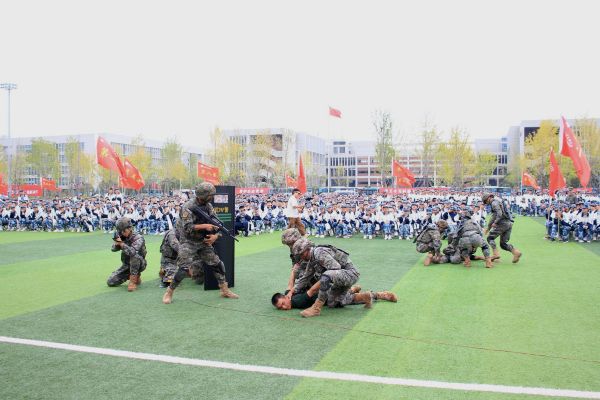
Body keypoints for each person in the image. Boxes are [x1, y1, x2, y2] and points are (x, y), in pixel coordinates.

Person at [162, 182, 238, 304]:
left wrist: (215, 236)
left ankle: (224, 289)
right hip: (188, 241)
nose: (212, 197)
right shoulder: (188, 206)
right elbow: (187, 228)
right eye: (210, 195)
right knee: (183, 269)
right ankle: (169, 291)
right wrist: (204, 226)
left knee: (218, 264)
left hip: (203, 241)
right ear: (203, 195)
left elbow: (216, 224)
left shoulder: (208, 206)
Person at [291, 238, 395, 317]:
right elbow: (305, 278)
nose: (301, 257)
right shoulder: (312, 259)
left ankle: (316, 308)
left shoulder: (319, 252)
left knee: (325, 276)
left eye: (301, 254)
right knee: (334, 302)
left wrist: (319, 283)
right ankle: (373, 295)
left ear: (307, 249)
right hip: (340, 277)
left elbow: (335, 268)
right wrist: (290, 292)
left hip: (350, 274)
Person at [106, 217, 147, 291]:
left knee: (134, 256)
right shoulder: (122, 236)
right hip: (127, 264)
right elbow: (113, 249)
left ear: (129, 228)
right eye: (120, 231)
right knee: (111, 281)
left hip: (140, 264)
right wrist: (117, 243)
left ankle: (133, 280)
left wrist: (122, 244)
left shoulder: (138, 238)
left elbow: (132, 252)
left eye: (123, 231)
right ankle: (134, 275)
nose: (121, 233)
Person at [482, 193, 522, 263]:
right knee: (503, 244)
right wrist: (489, 227)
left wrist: (495, 223)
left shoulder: (494, 203)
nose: (486, 203)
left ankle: (495, 254)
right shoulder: (499, 201)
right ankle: (516, 252)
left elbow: (498, 214)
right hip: (509, 223)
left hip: (502, 223)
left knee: (490, 238)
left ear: (488, 198)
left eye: (485, 201)